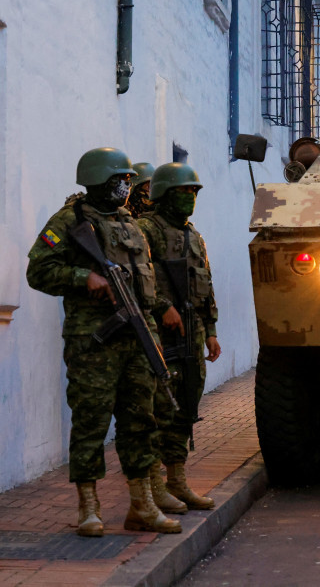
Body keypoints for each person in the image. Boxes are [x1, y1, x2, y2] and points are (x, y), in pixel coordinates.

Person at [26, 148, 181, 538]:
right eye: (119, 181)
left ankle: (142, 503)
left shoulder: (132, 225)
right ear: (97, 181)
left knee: (139, 422)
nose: (126, 187)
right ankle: (88, 506)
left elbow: (146, 280)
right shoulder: (70, 221)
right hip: (93, 342)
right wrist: (84, 278)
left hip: (137, 337)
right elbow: (38, 270)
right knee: (91, 421)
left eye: (128, 180)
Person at [138, 162, 221, 513]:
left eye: (194, 192)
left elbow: (206, 284)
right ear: (164, 195)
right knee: (160, 408)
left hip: (192, 331)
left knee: (186, 406)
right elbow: (136, 277)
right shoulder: (146, 229)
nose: (190, 197)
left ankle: (177, 480)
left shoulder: (193, 236)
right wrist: (161, 307)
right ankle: (154, 485)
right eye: (183, 191)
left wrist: (211, 331)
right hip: (159, 334)